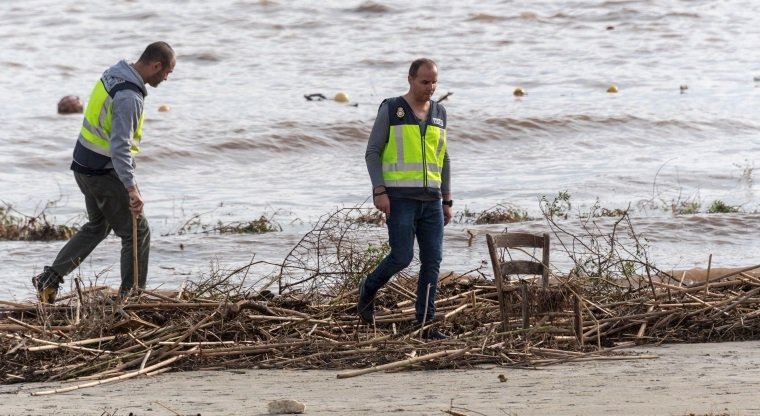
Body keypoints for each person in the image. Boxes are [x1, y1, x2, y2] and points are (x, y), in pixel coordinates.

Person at [32, 41, 176, 303]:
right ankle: (131, 299)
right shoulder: (130, 97)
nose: (166, 78)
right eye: (167, 72)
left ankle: (49, 280)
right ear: (156, 66)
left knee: (98, 225)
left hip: (83, 165)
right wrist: (131, 188)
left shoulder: (114, 73)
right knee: (137, 231)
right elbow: (120, 148)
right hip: (101, 172)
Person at [359, 58, 453, 339]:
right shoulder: (392, 109)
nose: (431, 87)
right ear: (410, 79)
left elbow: (443, 157)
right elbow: (372, 152)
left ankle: (425, 323)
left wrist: (447, 199)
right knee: (402, 256)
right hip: (399, 198)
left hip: (432, 200)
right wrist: (379, 190)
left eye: (435, 82)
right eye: (425, 82)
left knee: (432, 260)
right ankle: (368, 288)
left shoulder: (440, 113)